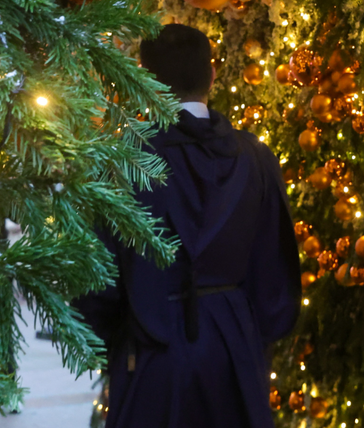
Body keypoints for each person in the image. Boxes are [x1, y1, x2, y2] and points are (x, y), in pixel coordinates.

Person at [72, 23, 301, 428]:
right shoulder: (255, 158)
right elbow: (274, 274)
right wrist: (246, 337)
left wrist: (118, 338)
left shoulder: (122, 162)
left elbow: (96, 282)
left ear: (143, 78)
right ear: (212, 74)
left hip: (150, 350)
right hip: (233, 351)